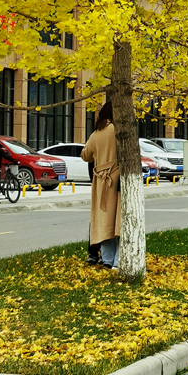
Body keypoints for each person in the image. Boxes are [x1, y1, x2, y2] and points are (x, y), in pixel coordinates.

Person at [81, 102, 121, 271]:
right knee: (119, 220)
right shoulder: (118, 130)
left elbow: (85, 155)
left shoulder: (96, 133)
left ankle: (107, 259)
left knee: (104, 220)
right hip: (117, 179)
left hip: (101, 182)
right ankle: (119, 260)